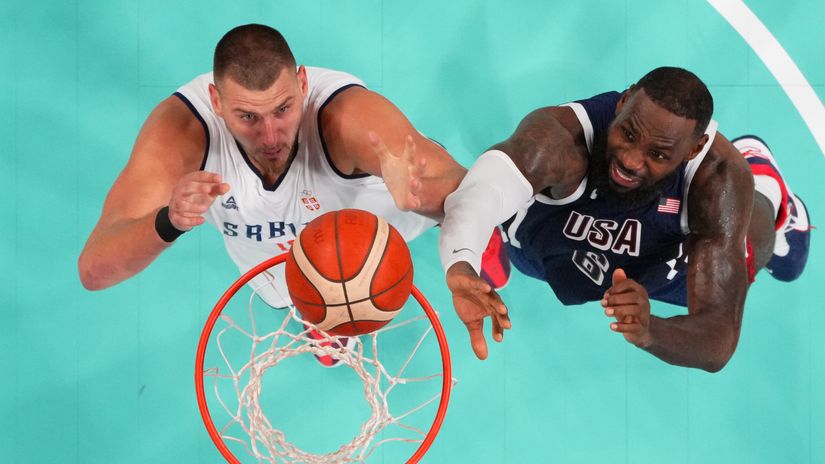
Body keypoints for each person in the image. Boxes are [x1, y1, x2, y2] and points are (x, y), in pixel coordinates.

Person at [77, 24, 506, 366]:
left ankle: (461, 234)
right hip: (268, 246)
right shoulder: (182, 132)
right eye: (247, 117)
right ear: (216, 101)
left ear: (302, 84)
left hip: (371, 211)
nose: (269, 136)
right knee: (295, 292)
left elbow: (471, 182)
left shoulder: (345, 116)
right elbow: (94, 270)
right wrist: (168, 221)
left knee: (447, 200)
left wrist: (431, 204)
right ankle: (321, 308)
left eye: (283, 110)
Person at [437, 67, 811, 372]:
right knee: (457, 195)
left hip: (662, 263)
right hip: (552, 243)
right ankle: (484, 237)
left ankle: (767, 183)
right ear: (623, 101)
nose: (631, 159)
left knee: (750, 250)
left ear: (694, 148)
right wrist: (460, 262)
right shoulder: (562, 138)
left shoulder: (716, 177)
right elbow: (484, 186)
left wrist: (651, 330)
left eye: (658, 153)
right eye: (628, 134)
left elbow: (719, 337)